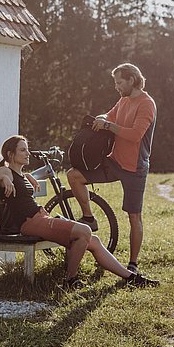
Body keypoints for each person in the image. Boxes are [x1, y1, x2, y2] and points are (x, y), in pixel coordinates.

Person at [0, 135, 158, 289]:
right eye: (22, 150)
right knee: (84, 231)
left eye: (27, 149)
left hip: (40, 218)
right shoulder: (6, 171)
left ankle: (131, 277)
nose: (28, 153)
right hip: (30, 223)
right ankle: (70, 279)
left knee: (94, 241)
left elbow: (21, 184)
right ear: (10, 154)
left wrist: (26, 176)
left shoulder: (20, 173)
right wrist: (3, 176)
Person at [67, 63, 156, 275]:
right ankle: (89, 217)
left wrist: (108, 126)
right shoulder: (124, 99)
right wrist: (102, 118)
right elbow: (110, 115)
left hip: (135, 168)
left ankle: (132, 264)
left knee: (134, 217)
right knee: (74, 176)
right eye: (115, 82)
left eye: (119, 82)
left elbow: (135, 135)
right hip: (113, 162)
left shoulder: (146, 104)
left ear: (132, 80)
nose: (116, 86)